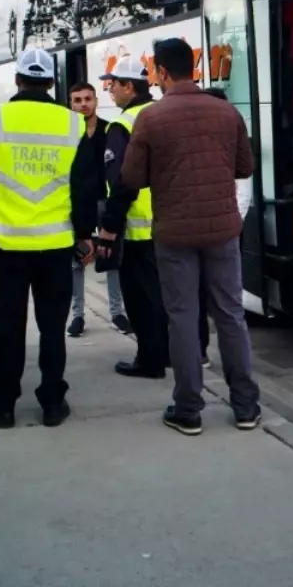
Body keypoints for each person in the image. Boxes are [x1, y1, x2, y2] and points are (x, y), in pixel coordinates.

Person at [120, 38, 261, 436]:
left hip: (175, 232)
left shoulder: (151, 118)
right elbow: (244, 166)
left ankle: (188, 409)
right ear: (193, 69)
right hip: (222, 230)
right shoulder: (226, 111)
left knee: (182, 317)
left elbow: (132, 178)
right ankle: (246, 406)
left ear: (162, 72)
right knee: (231, 315)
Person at [0, 48, 100, 430]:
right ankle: (52, 403)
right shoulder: (73, 124)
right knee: (52, 327)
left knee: (10, 328)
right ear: (51, 82)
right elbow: (85, 187)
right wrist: (83, 235)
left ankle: (3, 405)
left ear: (16, 80)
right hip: (57, 245)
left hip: (10, 246)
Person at [96, 56, 168, 379]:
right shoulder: (162, 114)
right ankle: (169, 353)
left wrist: (110, 225)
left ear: (129, 86)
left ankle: (149, 360)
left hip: (138, 231)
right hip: (169, 224)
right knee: (169, 296)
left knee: (141, 300)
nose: (110, 91)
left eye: (113, 85)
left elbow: (121, 182)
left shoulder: (123, 125)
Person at [66, 81, 129, 338]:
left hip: (106, 204)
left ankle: (117, 313)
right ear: (70, 104)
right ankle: (77, 315)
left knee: (111, 258)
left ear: (95, 100)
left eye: (87, 99)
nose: (83, 105)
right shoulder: (67, 133)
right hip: (75, 204)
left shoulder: (109, 130)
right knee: (77, 262)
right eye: (77, 100)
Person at [198, 87, 253, 368]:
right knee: (219, 301)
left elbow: (243, 188)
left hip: (225, 228)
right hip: (222, 227)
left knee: (220, 300)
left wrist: (233, 224)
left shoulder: (230, 137)